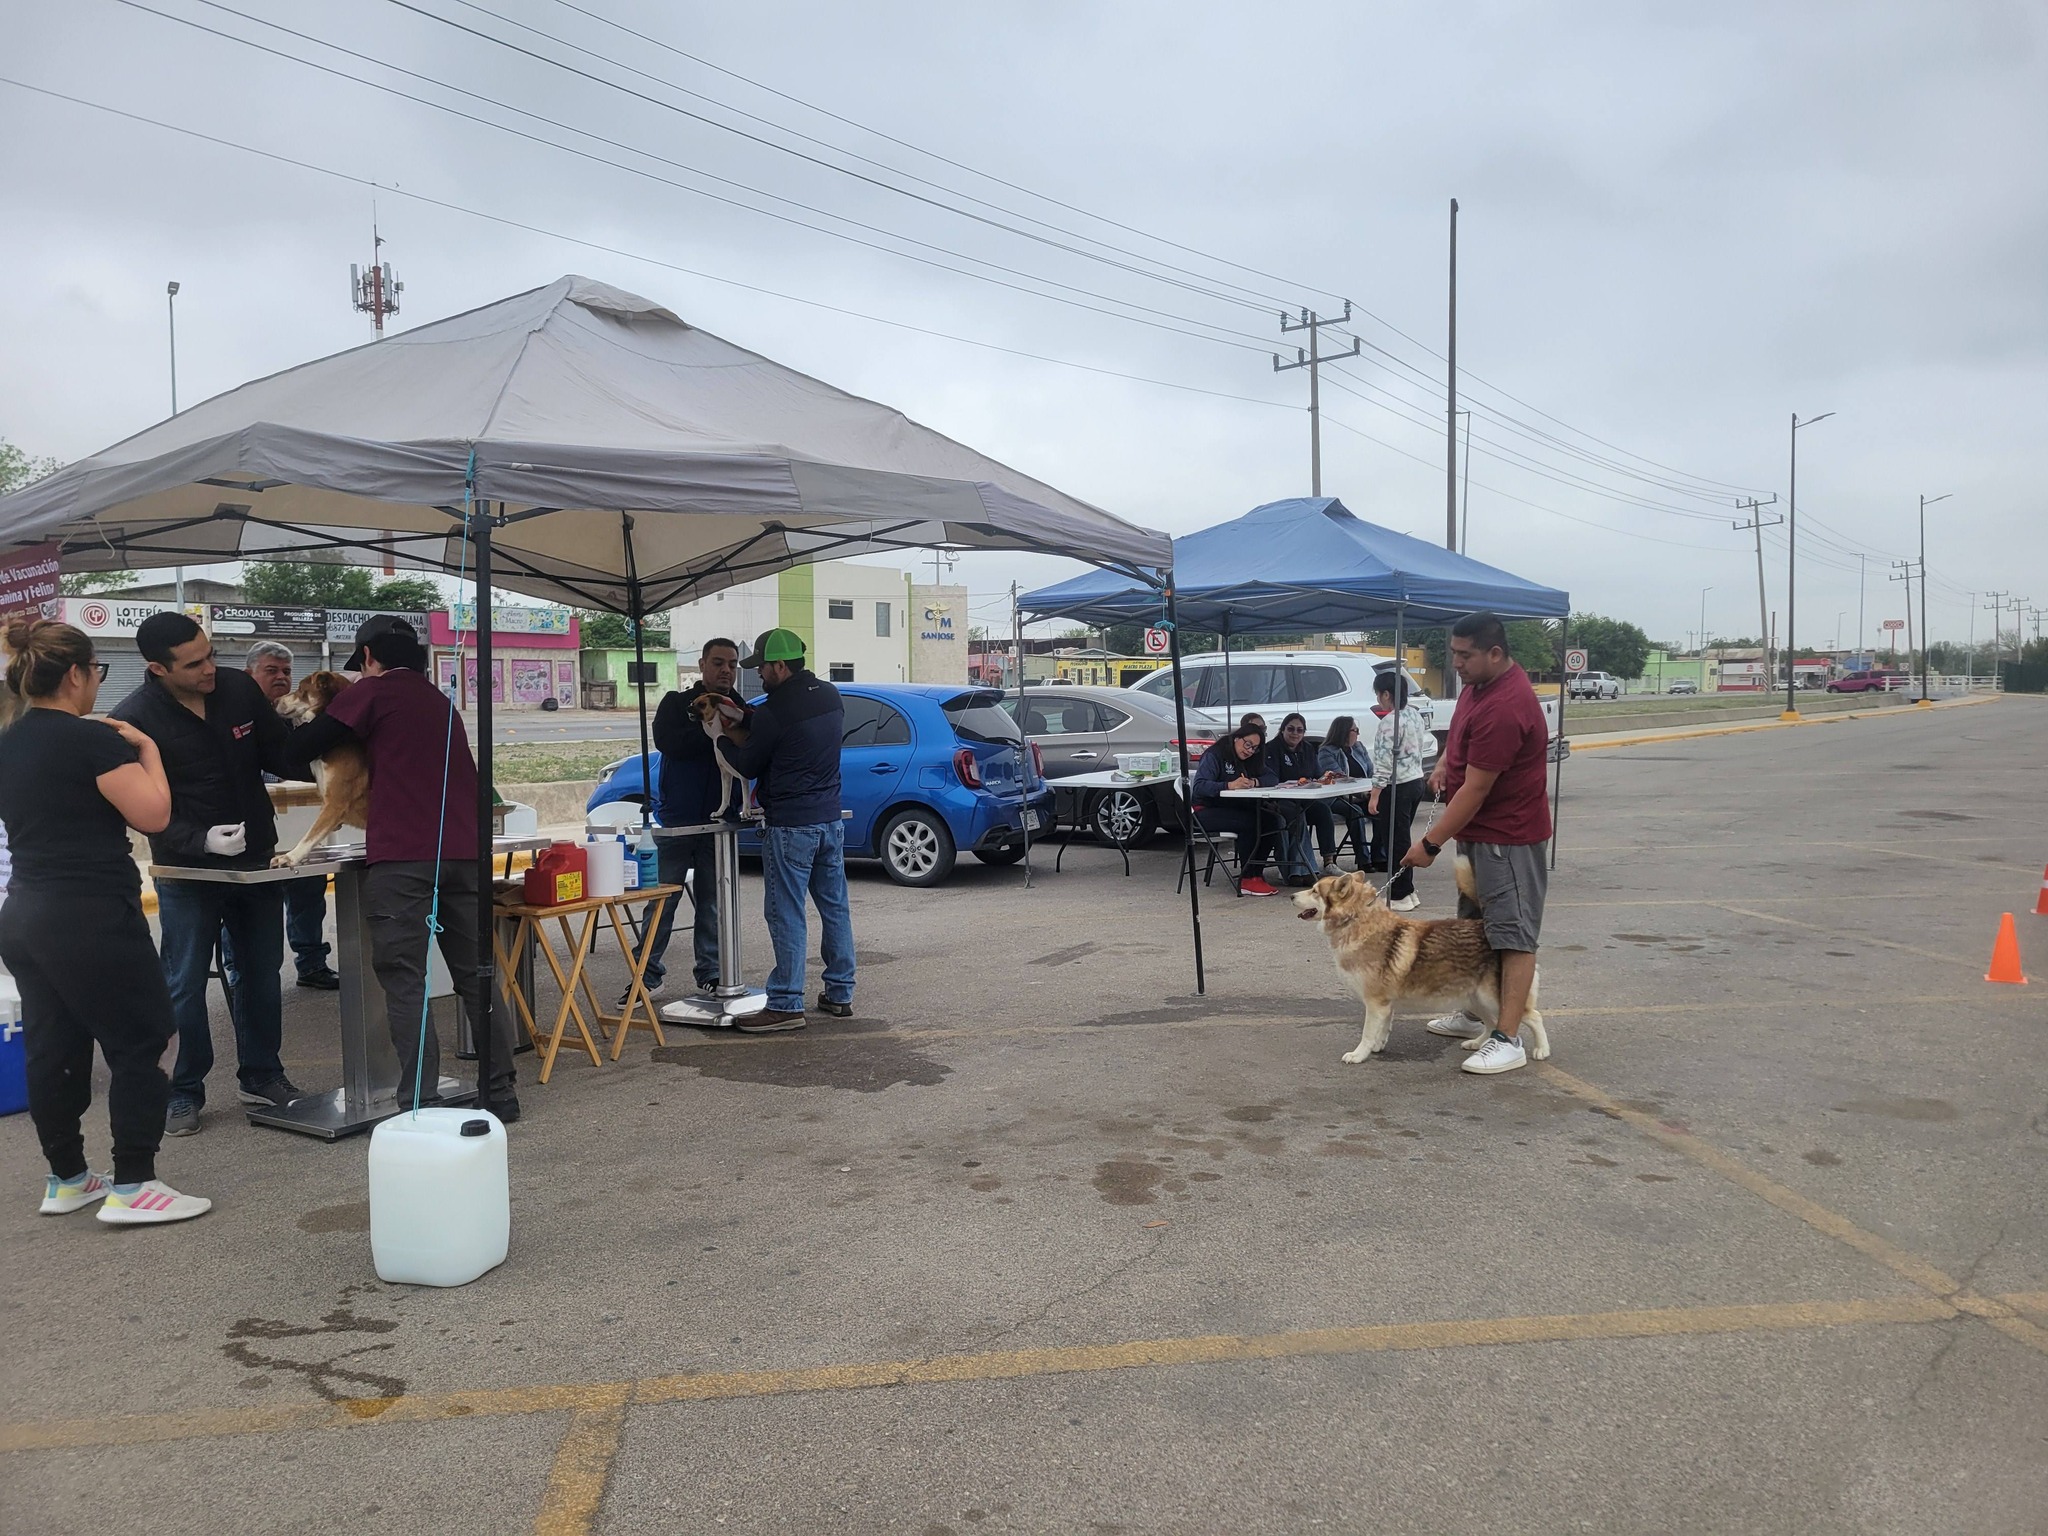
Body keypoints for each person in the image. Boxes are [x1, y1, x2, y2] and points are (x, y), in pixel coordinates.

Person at [0, 618, 211, 1222]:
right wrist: (148, 749)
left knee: (54, 1043)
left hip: (25, 914)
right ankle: (135, 1184)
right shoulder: (92, 739)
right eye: (96, 671)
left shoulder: (7, 738)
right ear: (74, 675)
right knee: (146, 1037)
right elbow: (155, 816)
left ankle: (67, 1177)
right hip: (89, 912)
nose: (97, 683)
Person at [283, 616, 519, 1118]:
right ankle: (501, 1093)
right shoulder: (442, 702)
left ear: (369, 657)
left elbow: (299, 749)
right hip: (464, 853)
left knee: (407, 980)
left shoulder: (371, 692)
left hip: (404, 859)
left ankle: (421, 1100)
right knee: (477, 976)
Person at [112, 612, 299, 1136]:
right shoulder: (136, 718)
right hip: (186, 868)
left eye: (211, 654)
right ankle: (183, 1090)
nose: (210, 668)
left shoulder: (239, 689)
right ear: (157, 668)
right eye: (195, 664)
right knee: (184, 982)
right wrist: (199, 840)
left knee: (262, 971)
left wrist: (334, 744)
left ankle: (263, 1075)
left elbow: (281, 753)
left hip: (257, 859)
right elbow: (139, 806)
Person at [1401, 612, 1553, 1075]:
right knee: (1473, 931)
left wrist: (1429, 843)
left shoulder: (1508, 705)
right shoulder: (1477, 687)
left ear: (1495, 653)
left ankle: (1508, 1038)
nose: (1458, 663)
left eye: (1465, 656)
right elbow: (1463, 737)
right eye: (1454, 654)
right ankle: (1473, 1016)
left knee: (1512, 935)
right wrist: (1448, 760)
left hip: (1507, 837)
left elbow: (1478, 790)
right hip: (1478, 834)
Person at [714, 629, 853, 1032]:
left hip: (792, 822)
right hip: (829, 819)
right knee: (835, 907)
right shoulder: (830, 696)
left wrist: (722, 740)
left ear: (780, 665)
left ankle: (787, 1003)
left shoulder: (776, 710)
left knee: (785, 912)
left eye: (762, 666)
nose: (759, 673)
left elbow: (750, 763)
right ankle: (840, 992)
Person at [636, 637, 747, 1005]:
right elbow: (671, 743)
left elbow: (748, 749)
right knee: (661, 901)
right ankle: (645, 977)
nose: (726, 670)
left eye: (732, 663)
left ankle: (712, 973)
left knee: (713, 902)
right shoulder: (677, 704)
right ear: (701, 665)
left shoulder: (740, 707)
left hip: (720, 823)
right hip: (678, 820)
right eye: (718, 662)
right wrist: (716, 733)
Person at [230, 641, 339, 990]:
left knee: (309, 888)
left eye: (287, 672)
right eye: (271, 670)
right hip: (251, 825)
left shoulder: (296, 713)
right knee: (246, 902)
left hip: (299, 824)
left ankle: (311, 963)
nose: (281, 678)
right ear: (250, 674)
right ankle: (239, 970)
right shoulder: (233, 711)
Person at [1190, 720, 1282, 896]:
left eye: (1255, 748)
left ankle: (1256, 874)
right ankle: (1246, 877)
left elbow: (1272, 777)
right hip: (1204, 811)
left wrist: (1255, 782)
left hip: (1234, 808)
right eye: (1247, 744)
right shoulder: (1215, 755)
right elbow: (1200, 786)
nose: (1249, 751)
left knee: (1272, 820)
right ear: (1236, 738)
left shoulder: (1252, 759)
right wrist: (1229, 785)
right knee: (1249, 822)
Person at [1367, 675, 1432, 911]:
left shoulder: (1389, 722)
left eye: (1379, 694)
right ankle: (1408, 889)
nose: (1378, 699)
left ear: (1386, 694)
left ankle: (1401, 893)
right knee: (1402, 838)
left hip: (1398, 785)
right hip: (1415, 780)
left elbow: (1383, 761)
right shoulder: (1414, 714)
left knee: (1394, 841)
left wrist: (1375, 793)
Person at [1266, 712, 1337, 881]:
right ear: (1282, 730)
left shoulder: (1307, 749)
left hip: (1304, 798)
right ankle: (1301, 870)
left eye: (1299, 730)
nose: (1295, 733)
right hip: (1278, 800)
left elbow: (1317, 773)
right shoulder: (1271, 749)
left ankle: (1329, 861)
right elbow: (1271, 779)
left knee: (1322, 811)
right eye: (1290, 729)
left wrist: (1324, 777)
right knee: (1297, 815)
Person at [1316, 714, 1375, 871]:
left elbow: (1370, 771)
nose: (1358, 733)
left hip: (1363, 793)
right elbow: (1339, 779)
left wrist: (1372, 791)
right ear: (1344, 732)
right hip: (1336, 797)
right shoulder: (1326, 751)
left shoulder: (1359, 747)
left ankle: (1380, 855)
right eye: (1355, 730)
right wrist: (1362, 794)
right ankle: (1364, 858)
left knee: (1383, 807)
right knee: (1354, 813)